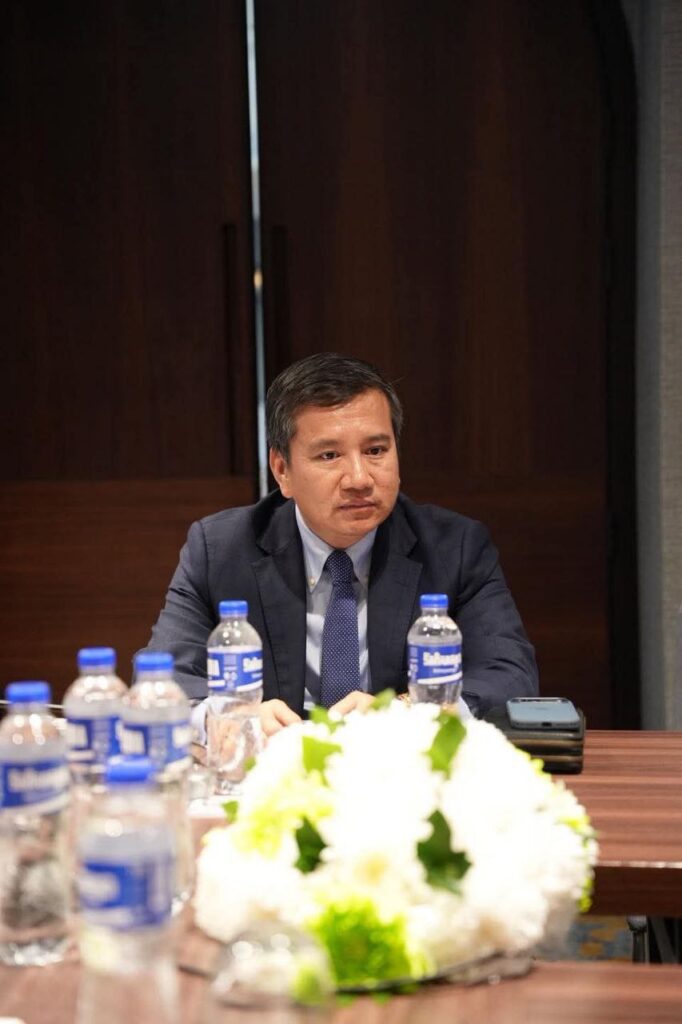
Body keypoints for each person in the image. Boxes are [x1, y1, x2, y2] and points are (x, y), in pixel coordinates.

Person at [145, 352, 538, 736]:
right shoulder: (220, 550)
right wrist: (233, 717)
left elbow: (509, 675)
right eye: (330, 455)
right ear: (282, 470)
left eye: (375, 451)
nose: (359, 479)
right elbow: (162, 684)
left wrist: (407, 711)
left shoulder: (455, 548)